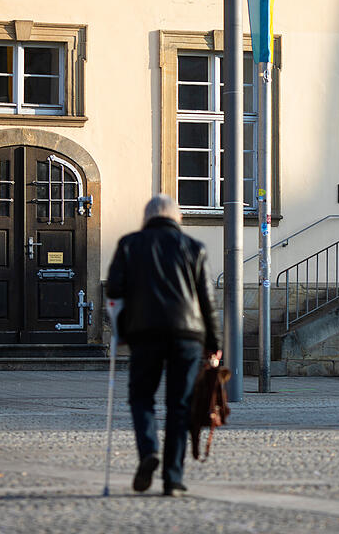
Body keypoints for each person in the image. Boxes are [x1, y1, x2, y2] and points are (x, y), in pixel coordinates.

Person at [106, 194, 222, 497]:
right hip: (188, 335)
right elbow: (207, 300)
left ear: (147, 218)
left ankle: (148, 452)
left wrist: (122, 327)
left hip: (145, 333)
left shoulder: (129, 244)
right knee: (180, 405)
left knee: (141, 397)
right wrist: (215, 342)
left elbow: (115, 288)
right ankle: (173, 479)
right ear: (177, 218)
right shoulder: (194, 247)